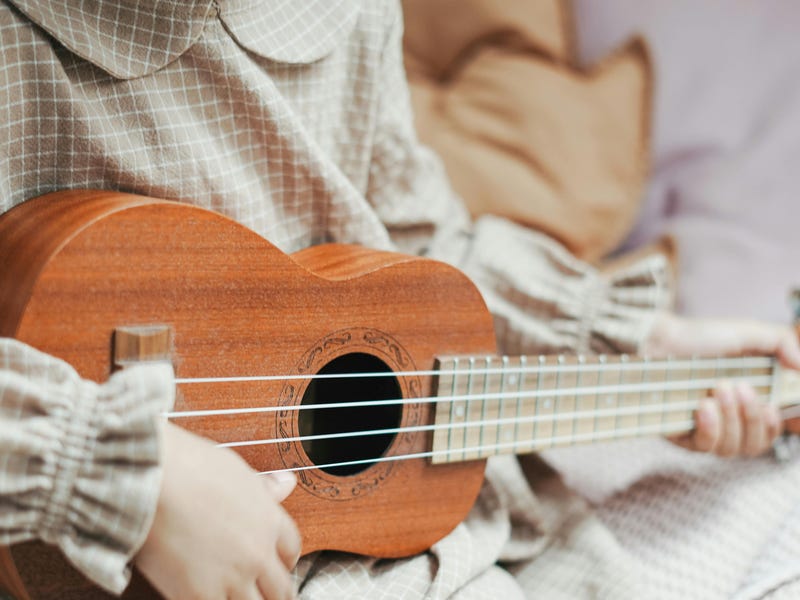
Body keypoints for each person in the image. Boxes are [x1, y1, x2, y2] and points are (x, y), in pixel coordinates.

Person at [0, 1, 797, 599]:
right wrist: (127, 473)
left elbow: (417, 246)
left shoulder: (346, 11)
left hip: (389, 544)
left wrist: (648, 342)